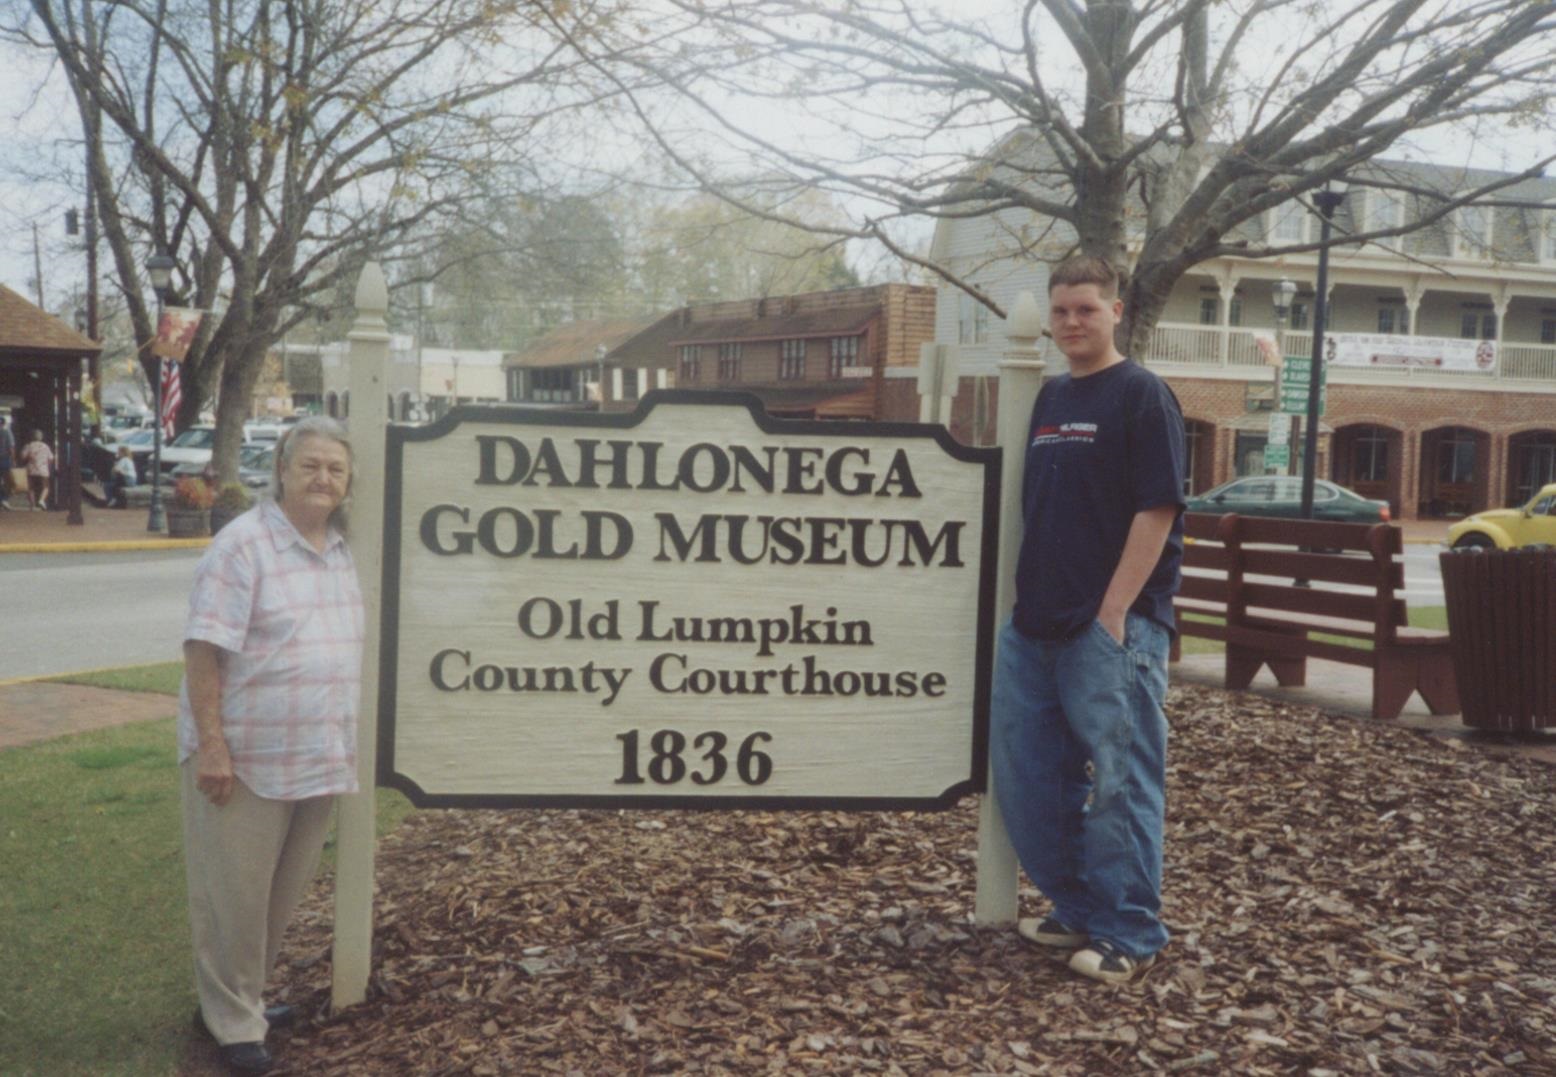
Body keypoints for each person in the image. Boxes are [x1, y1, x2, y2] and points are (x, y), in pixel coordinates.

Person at [991, 255, 1185, 986]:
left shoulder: (1141, 394)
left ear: (1116, 311)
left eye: (1087, 309)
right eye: (1062, 311)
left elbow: (1158, 508)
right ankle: (1077, 907)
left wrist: (1114, 611)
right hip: (1035, 626)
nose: (1072, 322)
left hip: (1110, 630)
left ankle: (1130, 930)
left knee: (1120, 785)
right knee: (1030, 779)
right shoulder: (1050, 396)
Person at [179, 417, 363, 1075]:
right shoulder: (243, 546)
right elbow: (203, 649)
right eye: (309, 465)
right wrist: (212, 746)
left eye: (335, 468)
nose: (322, 478)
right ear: (281, 470)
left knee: (280, 896)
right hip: (246, 758)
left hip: (317, 753)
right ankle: (234, 1023)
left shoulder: (340, 548)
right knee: (235, 899)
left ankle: (240, 1000)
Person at [19, 429, 53, 510]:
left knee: (31, 487)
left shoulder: (28, 446)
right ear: (41, 437)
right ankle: (41, 500)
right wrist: (48, 466)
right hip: (43, 469)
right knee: (46, 486)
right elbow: (51, 458)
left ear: (32, 437)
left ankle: (32, 505)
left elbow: (22, 457)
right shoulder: (45, 446)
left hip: (31, 469)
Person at [0, 416, 14, 509]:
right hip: (4, 459)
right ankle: (4, 499)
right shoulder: (7, 432)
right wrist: (13, 459)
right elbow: (11, 447)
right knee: (6, 480)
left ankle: (2, 498)